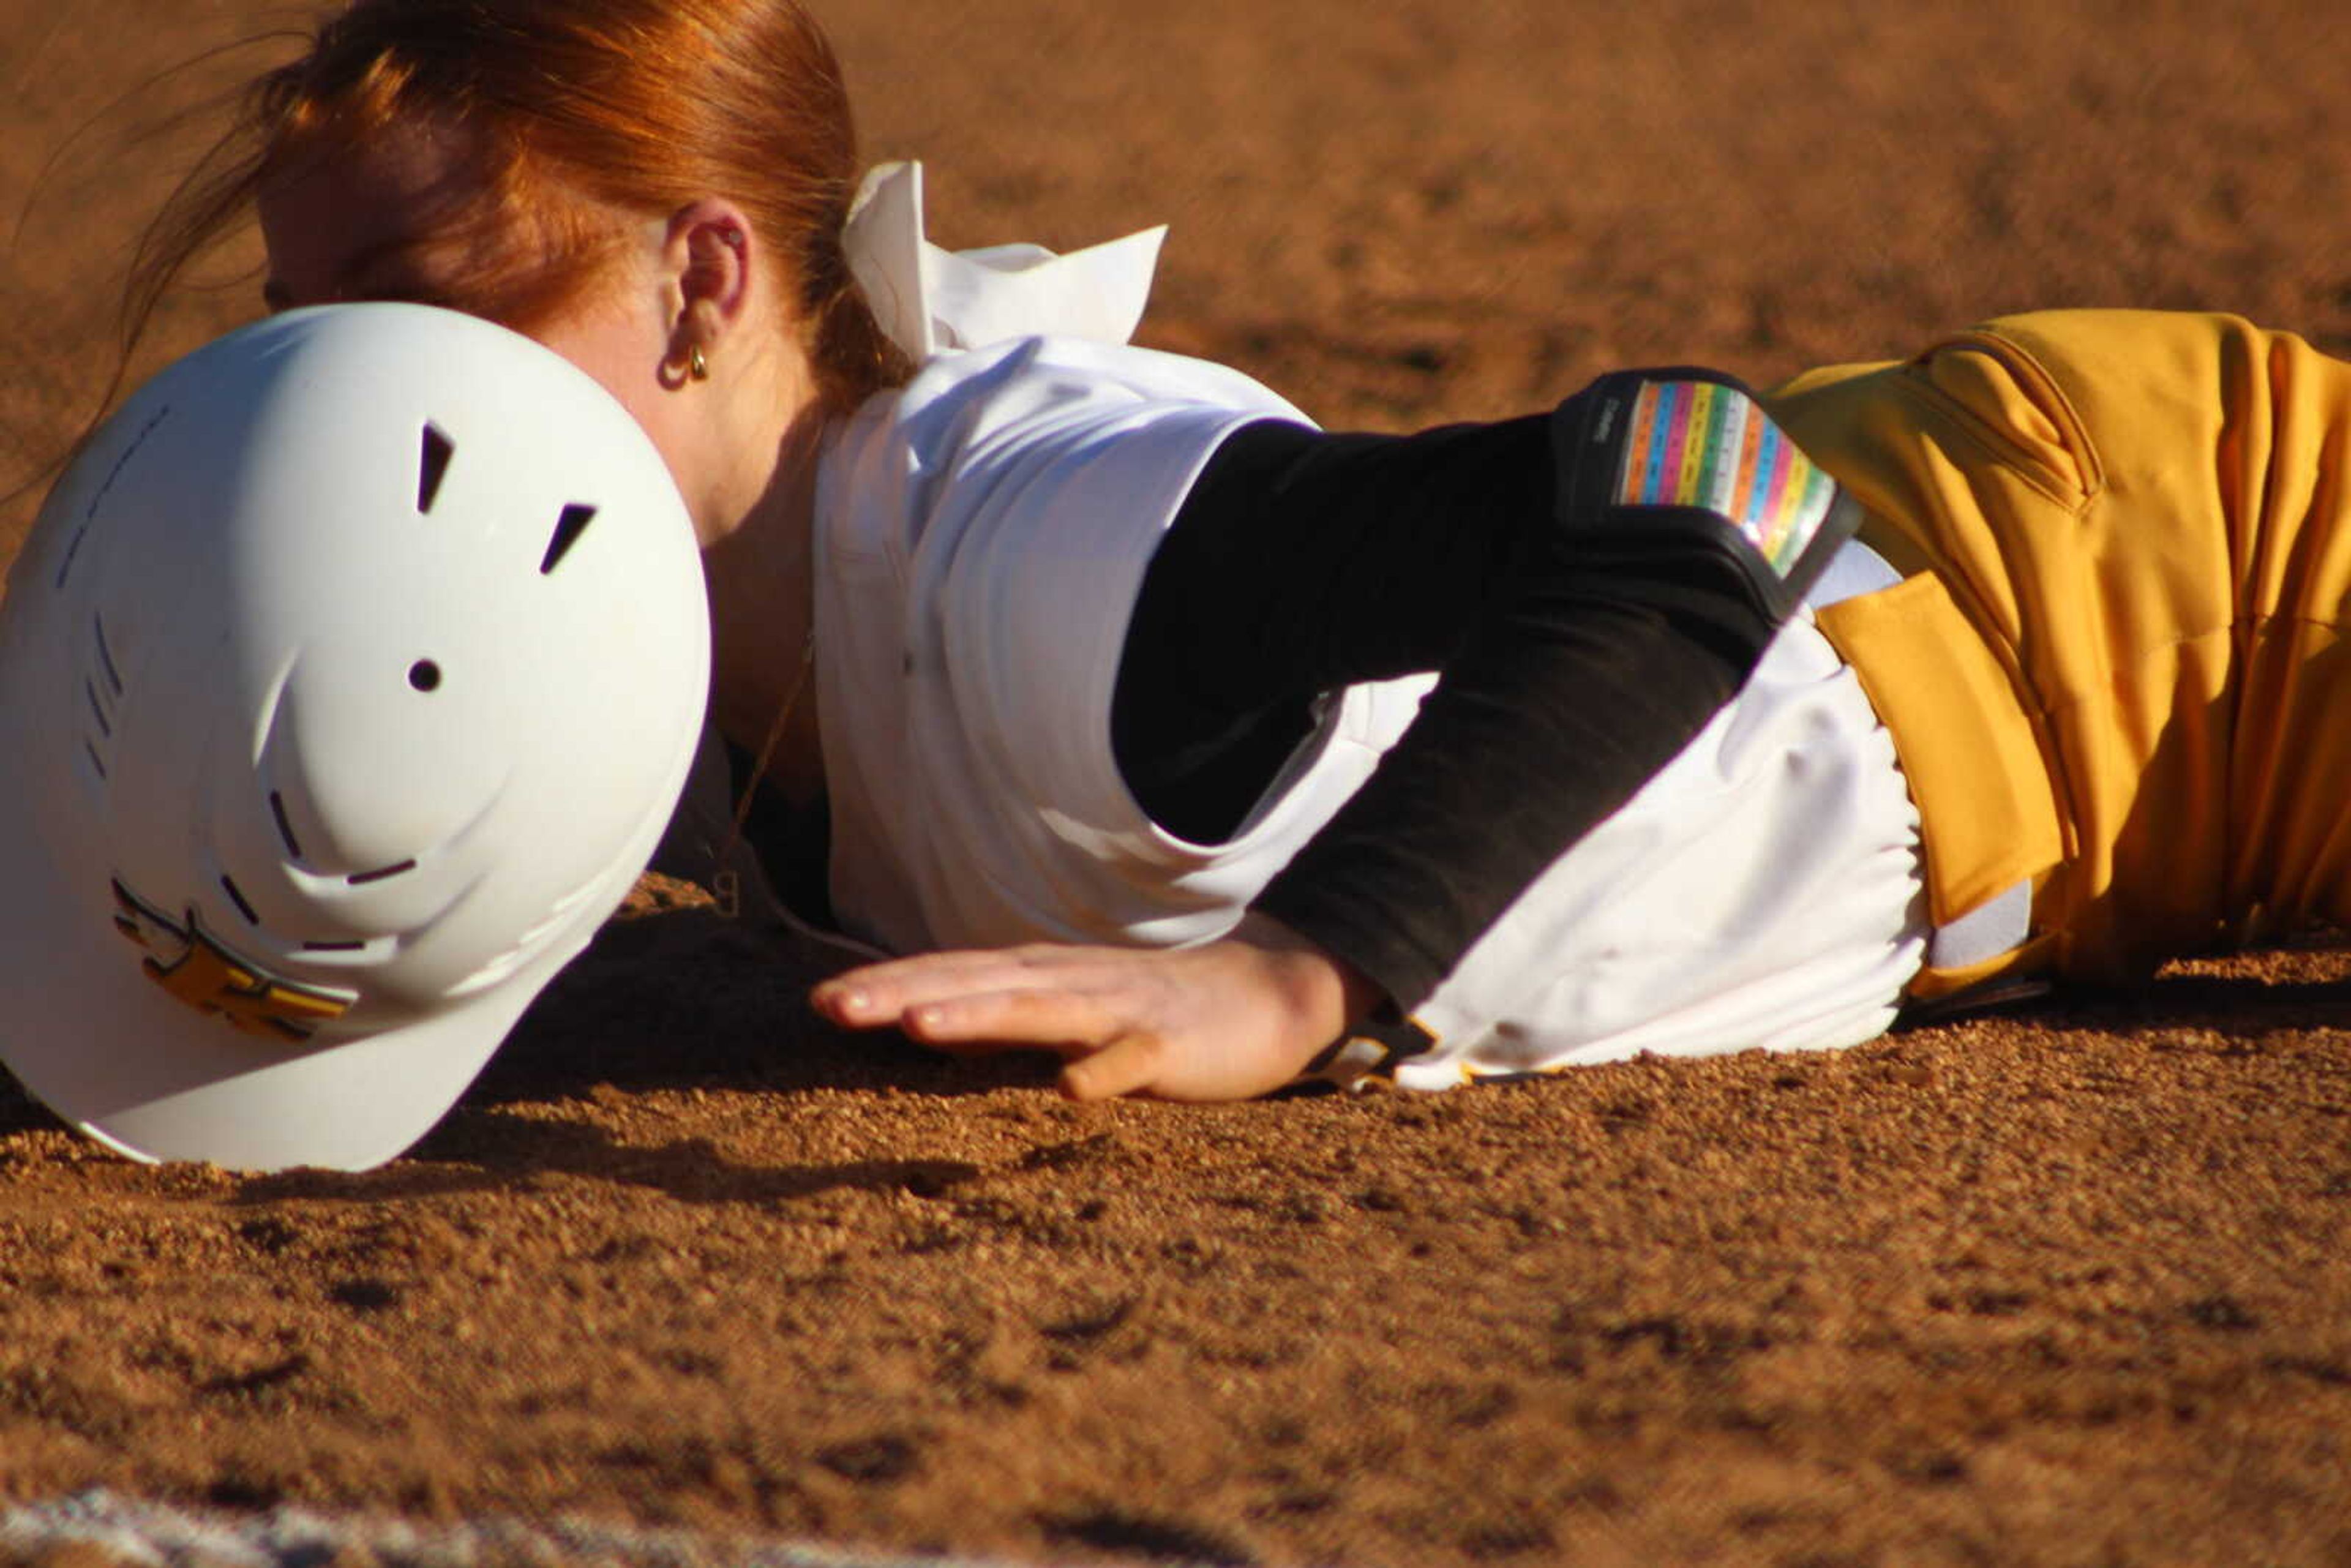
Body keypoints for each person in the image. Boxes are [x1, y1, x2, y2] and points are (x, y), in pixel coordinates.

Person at [114, 0, 2351, 1124]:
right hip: (2008, 623)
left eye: (416, 304)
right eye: (304, 333)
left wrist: (1300, 974)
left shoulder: (1038, 555)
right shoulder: (647, 604)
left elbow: (1707, 478)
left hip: (2184, 601)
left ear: (706, 287)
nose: (346, 399)